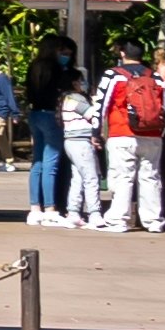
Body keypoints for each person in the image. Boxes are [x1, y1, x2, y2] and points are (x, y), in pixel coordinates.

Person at [98, 47, 165, 233]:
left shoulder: (113, 75)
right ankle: (153, 221)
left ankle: (118, 220)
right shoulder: (155, 77)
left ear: (122, 54)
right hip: (152, 134)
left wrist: (95, 131)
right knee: (151, 177)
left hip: (122, 133)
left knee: (122, 177)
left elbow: (101, 104)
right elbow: (164, 105)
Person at [19, 40, 76, 227]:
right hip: (52, 115)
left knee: (37, 163)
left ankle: (35, 208)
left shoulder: (34, 67)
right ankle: (50, 209)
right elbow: (65, 89)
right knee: (51, 163)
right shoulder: (57, 69)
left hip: (35, 113)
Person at [58, 52, 107, 225]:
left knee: (78, 177)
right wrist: (95, 102)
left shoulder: (66, 99)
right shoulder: (77, 99)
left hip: (71, 142)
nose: (83, 84)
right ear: (75, 83)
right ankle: (95, 213)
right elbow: (93, 116)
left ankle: (73, 212)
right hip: (81, 142)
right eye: (81, 81)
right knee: (91, 177)